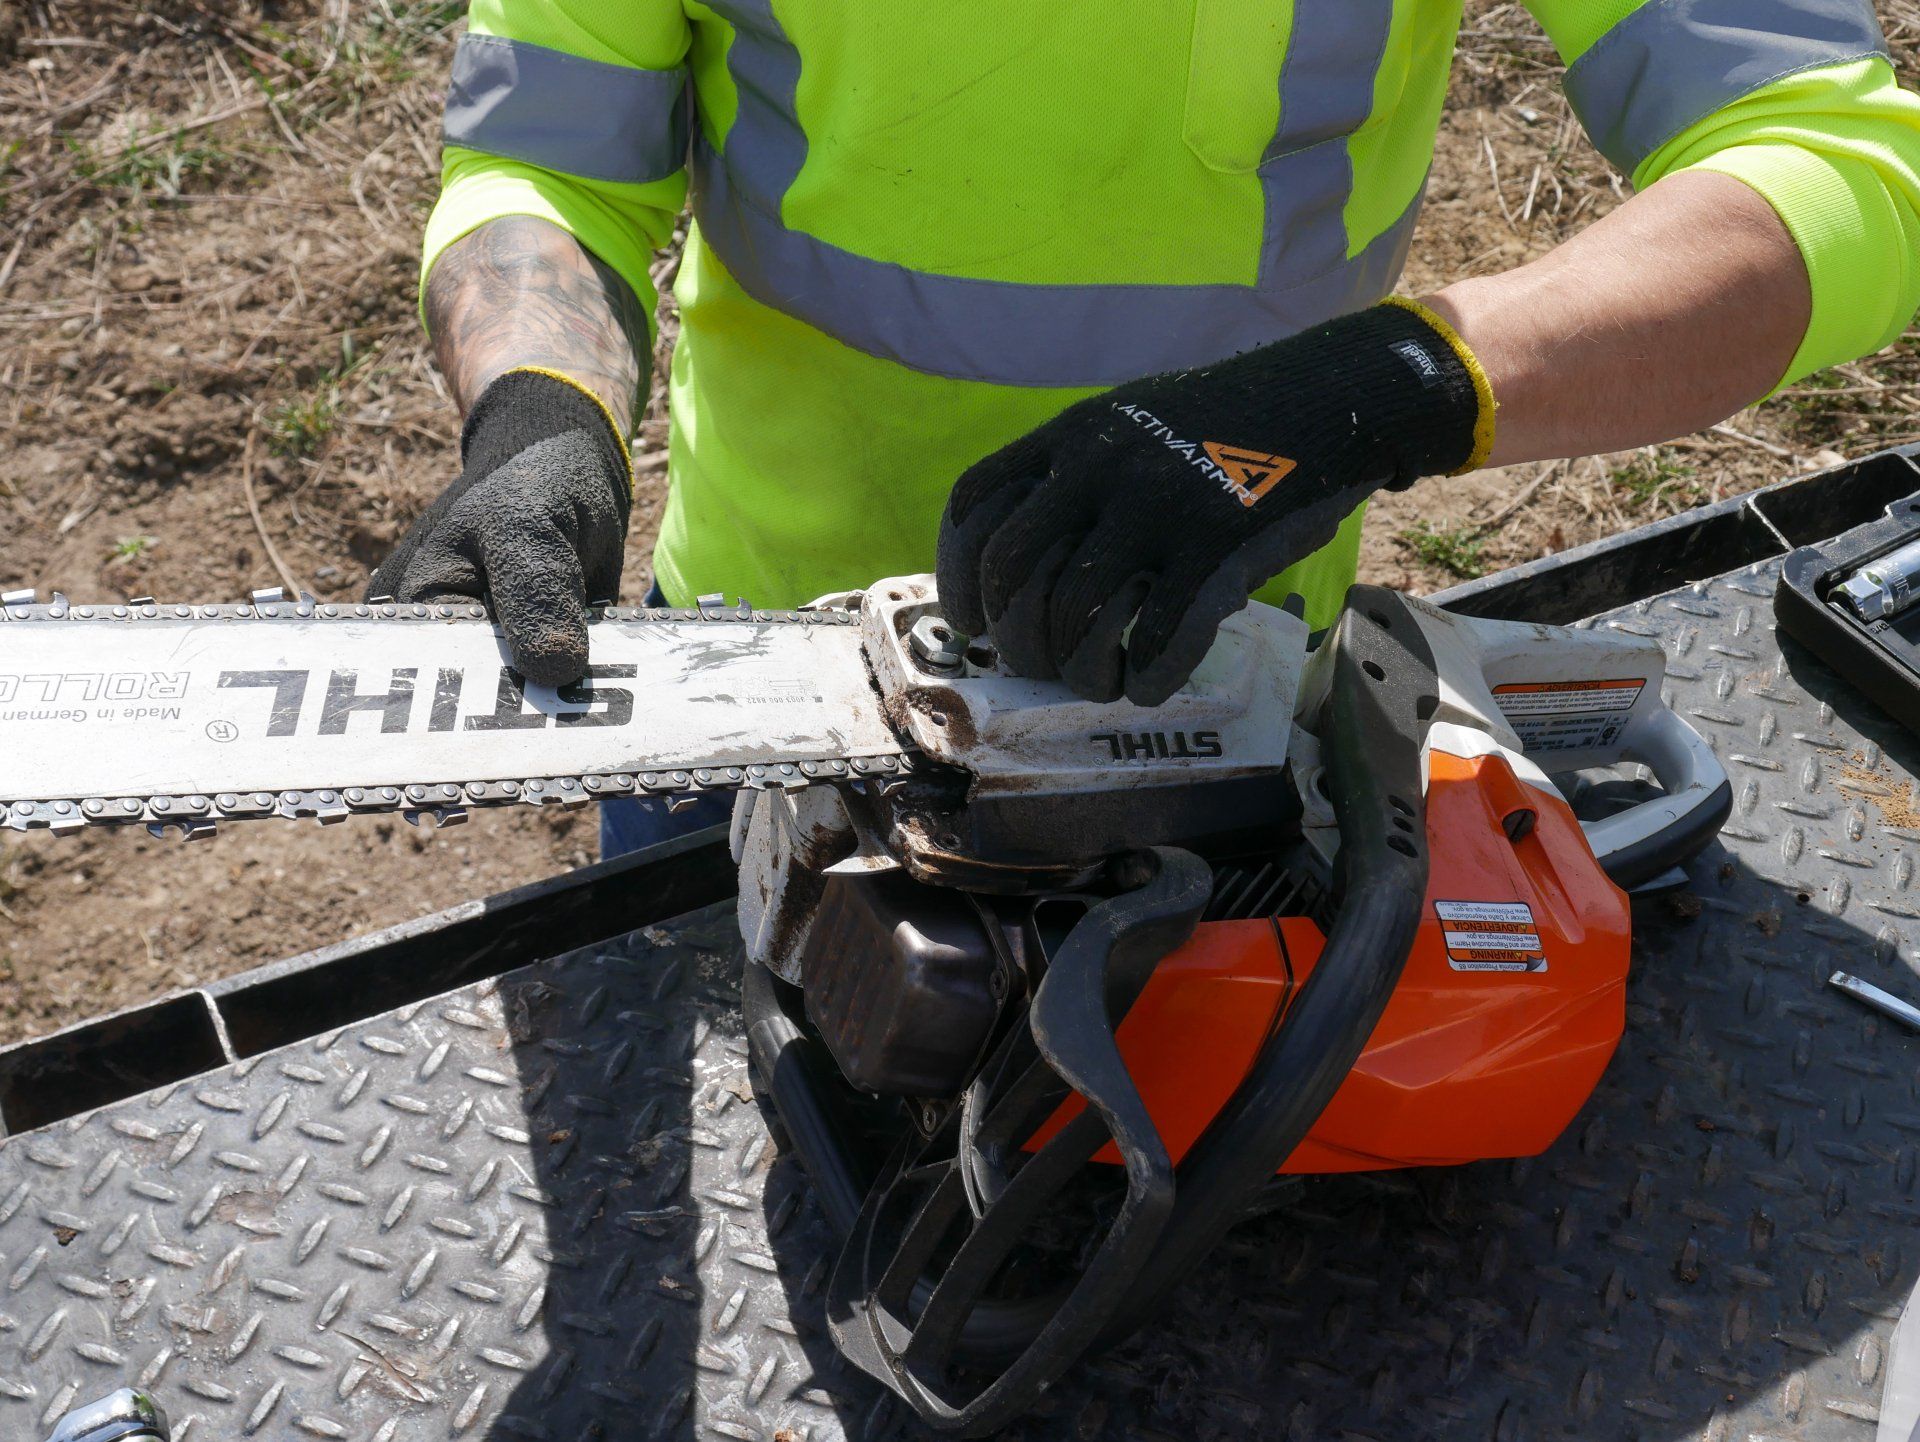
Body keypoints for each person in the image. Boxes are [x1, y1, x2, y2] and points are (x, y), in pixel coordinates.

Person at [370, 1, 1920, 858]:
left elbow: (1833, 165)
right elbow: (550, 156)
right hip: (757, 701)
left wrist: (1394, 384)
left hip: (1222, 712)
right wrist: (539, 414)